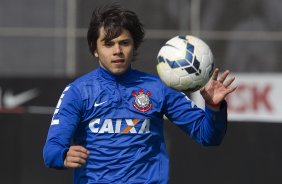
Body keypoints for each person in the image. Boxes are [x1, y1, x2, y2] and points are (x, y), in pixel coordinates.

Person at [43, 5, 236, 184]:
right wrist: (63, 155)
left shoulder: (159, 88)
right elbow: (51, 150)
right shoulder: (77, 92)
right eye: (108, 44)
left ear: (134, 46)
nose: (117, 51)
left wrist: (213, 108)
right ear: (95, 50)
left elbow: (208, 136)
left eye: (124, 43)